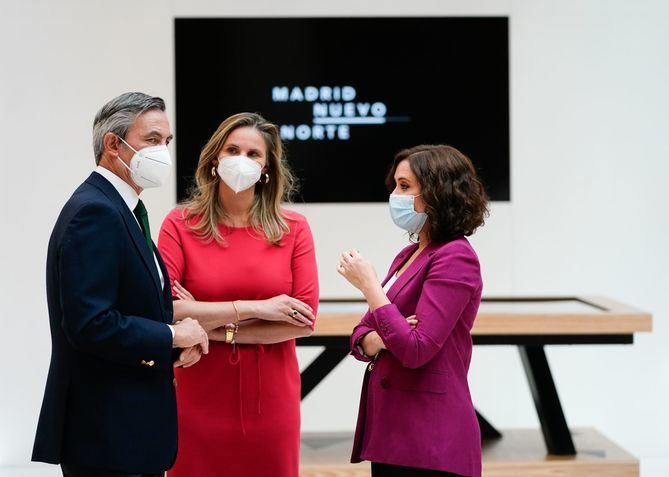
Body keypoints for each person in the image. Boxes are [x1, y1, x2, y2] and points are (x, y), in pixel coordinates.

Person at [32, 92, 210, 477]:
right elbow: (90, 323)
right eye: (151, 140)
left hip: (128, 431)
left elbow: (131, 311)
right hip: (106, 433)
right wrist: (170, 335)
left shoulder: (122, 209)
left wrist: (173, 347)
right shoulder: (96, 211)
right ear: (113, 144)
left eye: (167, 142)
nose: (162, 151)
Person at [157, 112, 319, 477]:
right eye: (232, 149)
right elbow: (166, 309)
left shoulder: (293, 228)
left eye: (253, 154)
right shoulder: (180, 224)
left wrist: (209, 326)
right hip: (196, 390)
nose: (241, 160)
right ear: (215, 159)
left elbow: (304, 320)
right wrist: (259, 308)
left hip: (272, 399)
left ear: (267, 168)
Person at [338, 144, 489, 477]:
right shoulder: (408, 254)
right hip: (395, 433)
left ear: (438, 192)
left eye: (404, 186)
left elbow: (416, 349)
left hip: (431, 439)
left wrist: (370, 287)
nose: (394, 194)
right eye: (394, 185)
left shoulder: (455, 256)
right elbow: (360, 338)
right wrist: (386, 337)